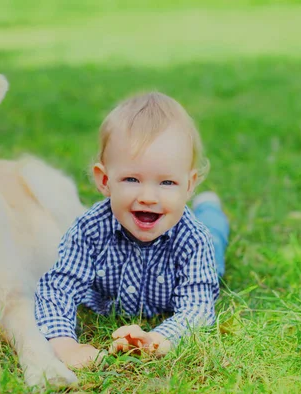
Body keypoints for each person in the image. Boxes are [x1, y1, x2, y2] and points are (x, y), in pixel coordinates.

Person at [34, 92, 229, 368]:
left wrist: (159, 338)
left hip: (203, 245)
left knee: (215, 234)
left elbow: (197, 307)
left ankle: (209, 207)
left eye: (167, 183)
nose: (148, 196)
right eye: (132, 179)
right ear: (105, 181)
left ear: (188, 184)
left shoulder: (194, 240)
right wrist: (64, 344)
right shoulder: (89, 230)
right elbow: (57, 289)